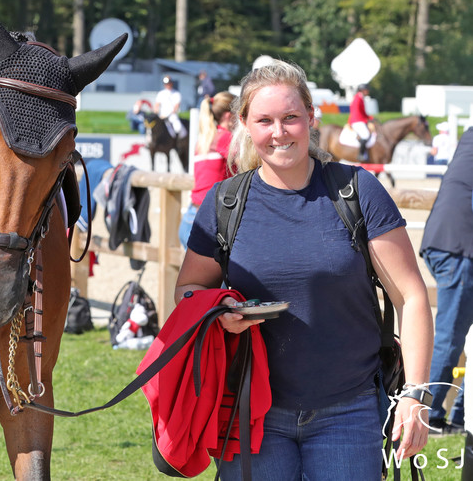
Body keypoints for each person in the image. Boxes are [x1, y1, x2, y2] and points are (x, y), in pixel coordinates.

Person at [174, 61, 432, 478]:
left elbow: (411, 296)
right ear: (245, 123)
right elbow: (187, 289)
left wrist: (415, 395)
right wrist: (219, 311)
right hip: (250, 412)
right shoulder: (225, 202)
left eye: (291, 117)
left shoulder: (356, 190)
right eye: (265, 120)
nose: (279, 132)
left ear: (311, 117)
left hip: (349, 414)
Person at [419, 127, 473, 435]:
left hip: (450, 243)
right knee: (450, 338)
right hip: (460, 248)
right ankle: (430, 415)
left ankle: (460, 416)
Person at [178, 91, 235, 247]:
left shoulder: (204, 140)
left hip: (191, 216)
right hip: (209, 219)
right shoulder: (225, 139)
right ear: (229, 116)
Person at [348, 83, 371, 161]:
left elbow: (362, 111)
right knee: (365, 135)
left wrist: (369, 117)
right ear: (363, 90)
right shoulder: (358, 98)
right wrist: (365, 119)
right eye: (367, 90)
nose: (368, 91)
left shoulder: (360, 97)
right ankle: (361, 155)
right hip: (357, 120)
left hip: (358, 119)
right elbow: (357, 111)